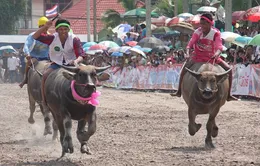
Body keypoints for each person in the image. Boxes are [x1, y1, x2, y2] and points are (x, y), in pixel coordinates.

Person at [171, 13, 237, 101]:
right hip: (197, 57)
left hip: (212, 57)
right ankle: (179, 90)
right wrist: (187, 53)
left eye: (204, 24)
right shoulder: (197, 32)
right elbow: (190, 44)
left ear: (210, 24)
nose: (202, 26)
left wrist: (217, 53)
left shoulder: (216, 33)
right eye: (201, 24)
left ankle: (229, 94)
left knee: (229, 69)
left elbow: (219, 47)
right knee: (184, 69)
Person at [32, 18, 84, 108]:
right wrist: (45, 26)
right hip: (56, 64)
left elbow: (81, 55)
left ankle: (88, 99)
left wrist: (76, 61)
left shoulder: (75, 39)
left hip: (72, 65)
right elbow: (35, 36)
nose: (63, 31)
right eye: (60, 29)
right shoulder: (52, 38)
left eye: (65, 29)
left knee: (87, 74)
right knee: (45, 75)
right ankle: (44, 100)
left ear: (68, 29)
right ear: (56, 30)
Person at [19, 16, 50, 88]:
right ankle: (25, 78)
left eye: (45, 26)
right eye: (42, 26)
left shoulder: (50, 36)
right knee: (30, 62)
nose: (44, 27)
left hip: (47, 58)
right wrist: (27, 54)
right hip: (35, 57)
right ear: (39, 26)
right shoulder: (33, 35)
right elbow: (26, 45)